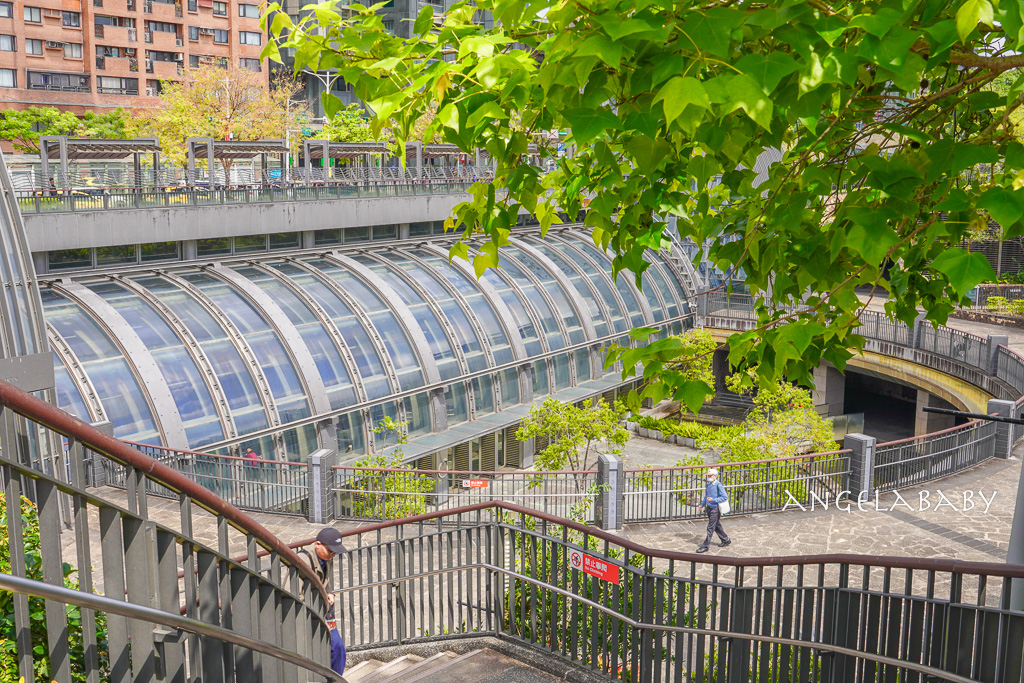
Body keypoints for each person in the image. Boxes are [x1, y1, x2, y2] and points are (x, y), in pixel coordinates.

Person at [298, 528, 348, 676]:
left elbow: (323, 580)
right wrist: (316, 619)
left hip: (323, 610)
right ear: (317, 544)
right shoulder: (304, 560)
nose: (333, 555)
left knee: (338, 647)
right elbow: (292, 593)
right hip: (310, 613)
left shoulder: (325, 558)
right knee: (333, 646)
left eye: (335, 552)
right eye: (330, 551)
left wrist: (329, 591)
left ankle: (335, 679)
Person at [696, 468, 731, 553]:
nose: (709, 477)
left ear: (715, 476)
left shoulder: (718, 485)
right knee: (716, 525)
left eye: (710, 476)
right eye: (708, 476)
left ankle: (705, 546)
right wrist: (702, 504)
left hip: (715, 509)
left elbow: (725, 497)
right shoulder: (708, 484)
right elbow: (706, 496)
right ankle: (725, 539)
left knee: (710, 527)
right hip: (709, 508)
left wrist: (713, 500)